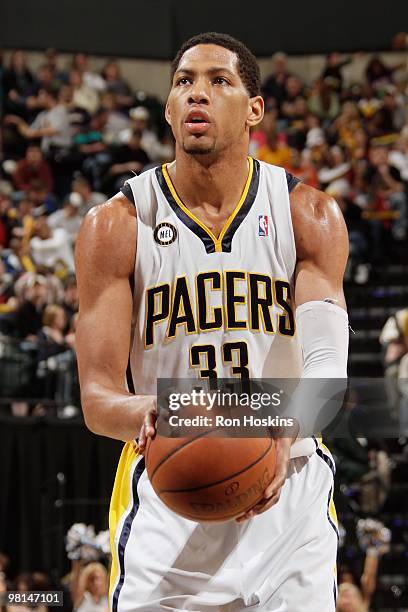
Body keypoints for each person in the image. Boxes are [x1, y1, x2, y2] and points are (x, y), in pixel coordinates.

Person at [76, 32, 349, 611]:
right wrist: (153, 411)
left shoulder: (309, 214)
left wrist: (280, 434)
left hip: (289, 492)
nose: (198, 93)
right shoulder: (115, 226)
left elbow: (329, 371)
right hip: (169, 495)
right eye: (183, 82)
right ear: (170, 110)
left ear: (255, 109)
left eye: (219, 81)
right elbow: (98, 399)